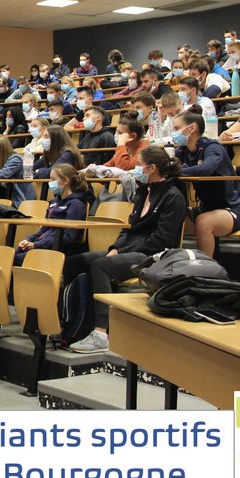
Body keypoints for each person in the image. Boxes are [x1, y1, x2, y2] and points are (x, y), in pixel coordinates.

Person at [62, 146, 187, 353]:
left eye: (138, 165)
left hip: (155, 255)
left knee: (101, 265)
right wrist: (116, 247)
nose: (134, 169)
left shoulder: (173, 196)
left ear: (152, 168)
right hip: (130, 249)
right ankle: (75, 323)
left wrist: (121, 251)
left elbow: (162, 239)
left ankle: (101, 332)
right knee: (74, 261)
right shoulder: (143, 191)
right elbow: (129, 228)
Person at [174, 108, 240, 257]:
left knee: (203, 222)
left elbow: (206, 169)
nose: (174, 133)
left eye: (177, 128)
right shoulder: (182, 151)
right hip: (205, 208)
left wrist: (176, 171)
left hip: (232, 210)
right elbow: (170, 168)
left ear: (191, 128)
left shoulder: (212, 147)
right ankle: (169, 264)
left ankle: (205, 271)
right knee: (170, 216)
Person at [14, 164, 91, 265]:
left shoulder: (76, 204)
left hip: (58, 249)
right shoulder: (54, 202)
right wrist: (28, 240)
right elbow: (44, 228)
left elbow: (68, 238)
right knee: (12, 255)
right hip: (42, 244)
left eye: (53, 179)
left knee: (18, 259)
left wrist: (36, 245)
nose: (50, 183)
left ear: (65, 181)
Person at [0, 136, 32, 207]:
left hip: (19, 201)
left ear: (2, 148)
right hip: (4, 200)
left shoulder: (16, 159)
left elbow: (2, 174)